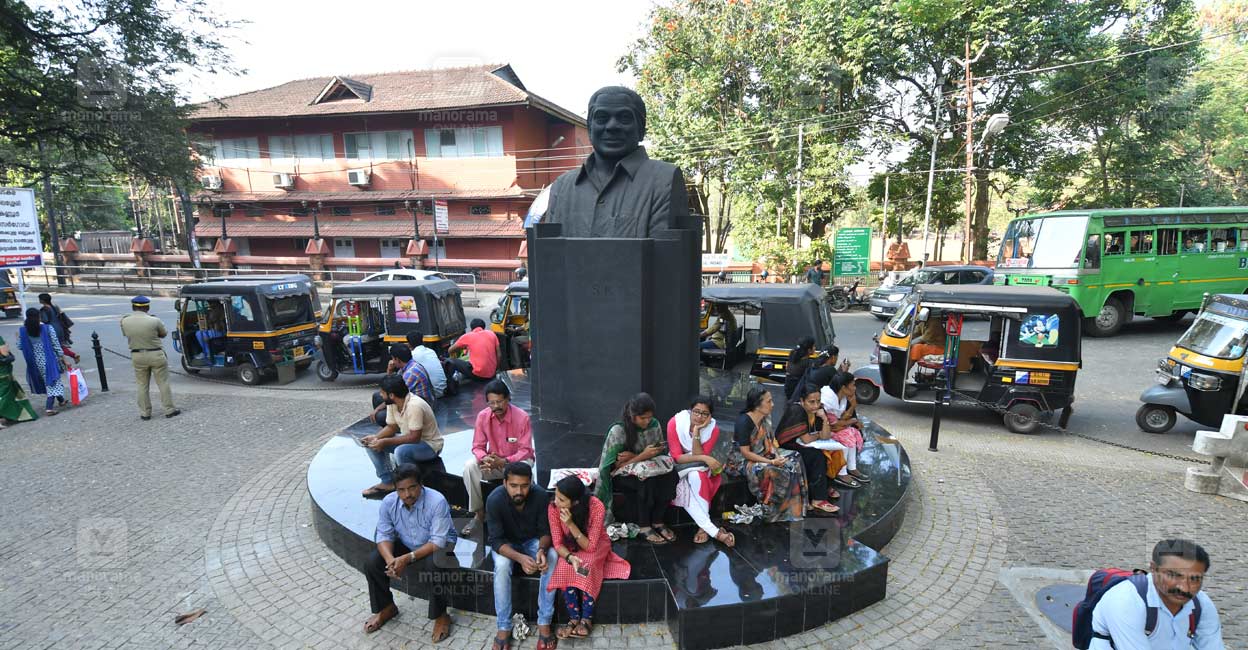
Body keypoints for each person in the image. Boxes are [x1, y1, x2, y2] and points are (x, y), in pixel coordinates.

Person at [543, 86, 691, 238]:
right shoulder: (562, 186)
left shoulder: (664, 179)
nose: (612, 126)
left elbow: (668, 257)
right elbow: (550, 254)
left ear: (641, 129)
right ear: (590, 128)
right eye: (602, 118)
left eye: (624, 118)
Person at [361, 463, 457, 642]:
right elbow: (383, 534)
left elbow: (438, 541)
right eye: (401, 490)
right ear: (395, 489)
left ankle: (441, 615)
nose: (407, 494)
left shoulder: (437, 501)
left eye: (412, 487)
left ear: (421, 484)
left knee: (436, 564)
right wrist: (391, 560)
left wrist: (407, 558)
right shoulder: (389, 502)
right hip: (407, 541)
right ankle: (387, 607)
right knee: (373, 562)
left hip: (439, 545)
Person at [1089, 539, 1223, 649]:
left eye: (1194, 579)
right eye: (1173, 575)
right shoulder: (1125, 601)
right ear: (1153, 568)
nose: (1185, 588)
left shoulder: (1201, 604)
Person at [548, 475, 631, 640]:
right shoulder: (553, 508)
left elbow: (591, 546)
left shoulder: (596, 506)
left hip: (596, 544)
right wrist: (570, 557)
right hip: (570, 548)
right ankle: (573, 617)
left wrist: (570, 524)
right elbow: (557, 544)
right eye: (556, 496)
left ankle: (586, 618)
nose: (556, 502)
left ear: (576, 502)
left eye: (562, 500)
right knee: (564, 567)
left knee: (588, 565)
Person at [485, 462, 557, 650]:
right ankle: (503, 627)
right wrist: (520, 558)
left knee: (553, 557)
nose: (519, 491)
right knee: (501, 566)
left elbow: (546, 531)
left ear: (531, 483)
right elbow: (496, 541)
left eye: (524, 486)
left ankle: (544, 621)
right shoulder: (494, 500)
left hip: (532, 540)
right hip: (506, 545)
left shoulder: (540, 496)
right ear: (504, 483)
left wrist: (541, 550)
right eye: (514, 486)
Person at [596, 393, 677, 544]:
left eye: (649, 417)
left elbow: (659, 450)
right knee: (645, 480)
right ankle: (643, 525)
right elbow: (615, 467)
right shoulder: (618, 431)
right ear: (633, 415)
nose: (647, 422)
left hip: (648, 465)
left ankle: (658, 521)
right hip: (621, 476)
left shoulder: (654, 424)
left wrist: (635, 455)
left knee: (671, 475)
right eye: (643, 418)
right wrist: (641, 456)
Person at [461, 380, 535, 537]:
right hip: (494, 462)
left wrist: (505, 461)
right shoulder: (483, 416)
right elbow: (477, 446)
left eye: (499, 401)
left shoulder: (522, 418)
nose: (496, 407)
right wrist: (486, 459)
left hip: (515, 462)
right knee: (469, 467)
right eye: (491, 403)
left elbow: (526, 450)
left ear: (508, 399)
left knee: (525, 466)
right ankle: (479, 514)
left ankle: (526, 513)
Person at [360, 374, 444, 499]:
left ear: (391, 395)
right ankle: (388, 481)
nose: (381, 396)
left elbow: (414, 437)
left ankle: (411, 485)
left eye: (382, 393)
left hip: (429, 445)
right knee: (371, 445)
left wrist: (385, 442)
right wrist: (376, 438)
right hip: (409, 440)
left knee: (401, 451)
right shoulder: (392, 403)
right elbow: (391, 427)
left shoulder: (414, 405)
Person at [734, 386, 809, 522]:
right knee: (772, 469)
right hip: (742, 461)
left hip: (764, 454)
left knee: (795, 457)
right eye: (769, 401)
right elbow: (745, 453)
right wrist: (772, 461)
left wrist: (777, 455)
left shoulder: (764, 418)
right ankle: (773, 509)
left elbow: (771, 441)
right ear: (757, 404)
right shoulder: (744, 422)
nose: (773, 404)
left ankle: (795, 506)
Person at [667, 396, 735, 546]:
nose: (699, 416)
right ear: (690, 411)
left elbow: (698, 454)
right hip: (678, 467)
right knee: (694, 475)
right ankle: (714, 532)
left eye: (704, 414)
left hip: (699, 466)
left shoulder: (713, 429)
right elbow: (677, 457)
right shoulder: (675, 423)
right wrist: (705, 458)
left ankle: (703, 528)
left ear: (710, 416)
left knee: (696, 476)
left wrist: (697, 430)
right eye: (696, 412)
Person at [773, 388, 840, 514]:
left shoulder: (819, 410)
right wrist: (818, 435)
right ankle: (818, 499)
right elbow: (807, 439)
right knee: (816, 456)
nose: (816, 405)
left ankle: (824, 487)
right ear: (802, 401)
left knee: (832, 452)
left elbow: (826, 436)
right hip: (787, 446)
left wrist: (825, 419)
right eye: (811, 402)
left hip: (805, 444)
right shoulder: (796, 410)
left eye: (818, 401)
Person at [119, 296, 179, 420]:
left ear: (133, 307)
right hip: (156, 354)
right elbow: (163, 334)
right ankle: (169, 410)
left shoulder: (125, 321)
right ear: (147, 307)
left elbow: (125, 334)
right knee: (163, 383)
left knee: (142, 385)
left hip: (137, 355)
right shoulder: (154, 320)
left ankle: (145, 413)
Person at [17, 308, 69, 417]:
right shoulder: (47, 328)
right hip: (49, 359)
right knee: (52, 381)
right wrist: (63, 359)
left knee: (48, 380)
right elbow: (56, 345)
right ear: (39, 317)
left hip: (34, 361)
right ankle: (49, 407)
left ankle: (61, 400)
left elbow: (20, 346)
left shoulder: (23, 331)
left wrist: (18, 338)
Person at [822, 372, 870, 489]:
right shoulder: (827, 400)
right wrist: (852, 421)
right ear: (843, 387)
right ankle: (841, 473)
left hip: (832, 428)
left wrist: (853, 406)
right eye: (853, 385)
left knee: (851, 433)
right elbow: (834, 424)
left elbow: (841, 419)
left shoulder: (842, 398)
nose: (855, 388)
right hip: (821, 431)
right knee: (846, 436)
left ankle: (852, 468)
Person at [0, 334, 37, 427]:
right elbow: (4, 353)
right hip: (3, 374)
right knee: (5, 395)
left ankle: (8, 415)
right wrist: (9, 354)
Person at [447, 318, 499, 383]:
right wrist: (495, 369)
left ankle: (451, 385)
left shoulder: (468, 336)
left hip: (478, 375)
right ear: (483, 327)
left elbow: (450, 350)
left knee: (450, 361)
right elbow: (499, 355)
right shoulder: (492, 334)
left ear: (471, 329)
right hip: (492, 374)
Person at [406, 331, 448, 398]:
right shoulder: (431, 351)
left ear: (409, 344)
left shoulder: (413, 355)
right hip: (444, 389)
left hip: (433, 394)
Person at [783, 336, 817, 401]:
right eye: (814, 346)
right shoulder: (808, 363)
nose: (815, 348)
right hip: (797, 395)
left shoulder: (792, 355)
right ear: (809, 350)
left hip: (787, 391)